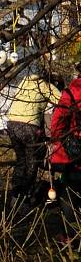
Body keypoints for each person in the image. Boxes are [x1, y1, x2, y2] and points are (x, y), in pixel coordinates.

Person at [6, 69, 61, 211]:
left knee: (21, 161)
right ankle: (25, 197)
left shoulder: (25, 80)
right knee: (32, 163)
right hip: (29, 125)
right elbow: (62, 102)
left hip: (12, 123)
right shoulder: (45, 85)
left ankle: (14, 195)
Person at [49, 63, 81, 238]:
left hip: (75, 154)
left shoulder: (70, 93)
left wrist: (58, 141)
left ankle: (70, 236)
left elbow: (58, 122)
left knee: (69, 194)